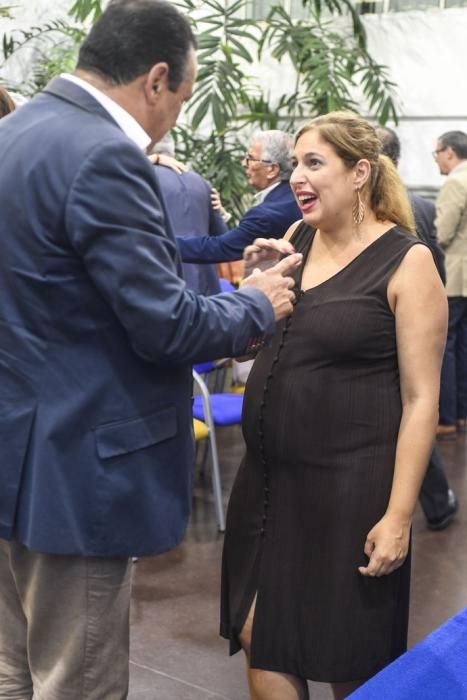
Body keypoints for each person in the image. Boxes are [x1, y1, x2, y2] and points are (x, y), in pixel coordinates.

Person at [0, 1, 303, 697]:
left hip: (16, 451)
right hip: (78, 468)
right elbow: (165, 326)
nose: (174, 118)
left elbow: (65, 278)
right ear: (158, 79)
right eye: (184, 98)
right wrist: (255, 301)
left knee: (17, 670)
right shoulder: (104, 153)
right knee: (78, 680)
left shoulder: (13, 133)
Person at [220, 111, 447, 700]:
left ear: (359, 174)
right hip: (270, 487)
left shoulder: (408, 260)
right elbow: (262, 346)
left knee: (353, 657)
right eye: (295, 162)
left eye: (314, 162)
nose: (297, 176)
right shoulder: (295, 240)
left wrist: (399, 516)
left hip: (353, 493)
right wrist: (257, 294)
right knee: (257, 631)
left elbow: (422, 401)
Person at [376, 125, 458, 530]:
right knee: (414, 409)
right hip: (415, 321)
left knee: (410, 411)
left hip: (388, 329)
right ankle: (439, 501)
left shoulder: (376, 211)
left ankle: (426, 504)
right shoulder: (423, 206)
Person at [177, 129, 302, 263]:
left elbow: (220, 248)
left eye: (250, 158)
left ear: (271, 169)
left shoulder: (265, 215)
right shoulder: (296, 197)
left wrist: (160, 244)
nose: (243, 163)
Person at [152, 132, 226, 295]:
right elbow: (222, 238)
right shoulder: (201, 182)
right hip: (207, 289)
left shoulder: (141, 179)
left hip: (166, 286)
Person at [433, 130, 467, 438]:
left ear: (449, 153)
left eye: (436, 153)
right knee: (464, 347)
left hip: (457, 278)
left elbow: (442, 233)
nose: (436, 160)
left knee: (447, 348)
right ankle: (463, 414)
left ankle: (447, 417)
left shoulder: (456, 182)